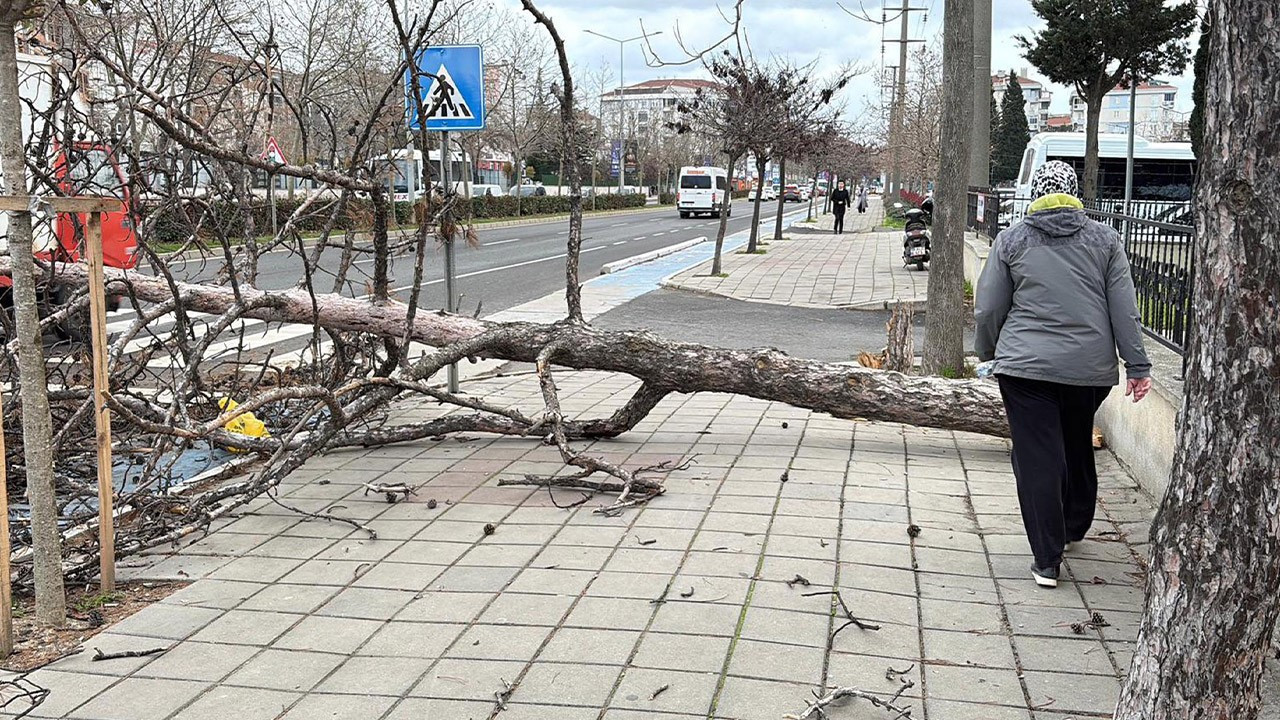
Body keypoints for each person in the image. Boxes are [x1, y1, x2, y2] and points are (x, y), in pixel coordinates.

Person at [974, 160, 1152, 589]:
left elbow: (989, 307)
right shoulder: (1106, 239)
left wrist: (989, 353)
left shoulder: (1012, 239)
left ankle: (1046, 559)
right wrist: (1137, 365)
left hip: (1025, 368)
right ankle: (1074, 525)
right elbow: (1124, 310)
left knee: (1036, 455)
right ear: (1074, 194)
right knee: (1075, 441)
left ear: (1035, 193)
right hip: (1088, 371)